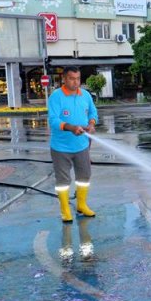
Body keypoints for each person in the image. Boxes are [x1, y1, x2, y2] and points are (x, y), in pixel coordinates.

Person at [48, 67, 98, 223]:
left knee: (84, 177)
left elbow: (92, 112)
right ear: (64, 78)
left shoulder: (85, 95)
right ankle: (65, 210)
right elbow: (53, 120)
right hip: (61, 147)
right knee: (63, 181)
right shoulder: (56, 97)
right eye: (71, 78)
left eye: (78, 78)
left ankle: (81, 205)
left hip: (82, 145)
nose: (75, 82)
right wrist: (71, 128)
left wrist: (91, 123)